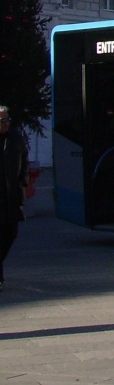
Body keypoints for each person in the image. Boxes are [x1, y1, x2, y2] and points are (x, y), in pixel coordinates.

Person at [0, 105, 30, 292]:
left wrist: (23, 180)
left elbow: (25, 159)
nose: (7, 123)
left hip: (10, 196)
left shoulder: (15, 138)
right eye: (3, 121)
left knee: (11, 234)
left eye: (8, 119)